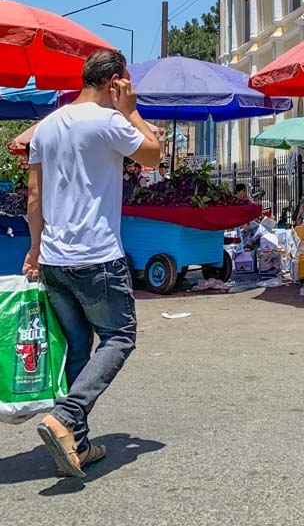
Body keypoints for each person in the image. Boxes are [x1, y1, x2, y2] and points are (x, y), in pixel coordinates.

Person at [23, 48, 162, 478]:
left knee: (77, 347)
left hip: (55, 258)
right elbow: (154, 156)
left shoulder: (47, 126)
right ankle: (66, 416)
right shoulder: (110, 122)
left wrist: (34, 248)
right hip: (97, 255)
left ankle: (76, 445)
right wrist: (133, 112)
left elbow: (33, 197)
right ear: (114, 81)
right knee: (120, 337)